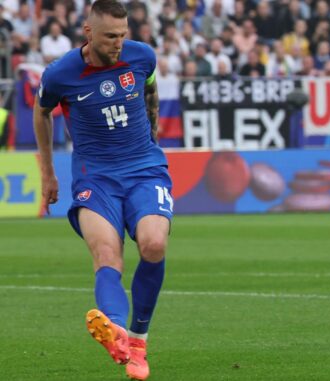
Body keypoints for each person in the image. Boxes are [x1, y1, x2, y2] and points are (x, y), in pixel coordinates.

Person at [33, 1, 172, 380]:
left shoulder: (141, 57)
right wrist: (48, 173)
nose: (119, 44)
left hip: (144, 169)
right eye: (111, 36)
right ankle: (115, 330)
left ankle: (138, 341)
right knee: (107, 255)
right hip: (95, 177)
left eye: (123, 35)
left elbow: (150, 92)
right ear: (89, 33)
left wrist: (152, 138)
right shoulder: (61, 74)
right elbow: (41, 111)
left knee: (154, 244)